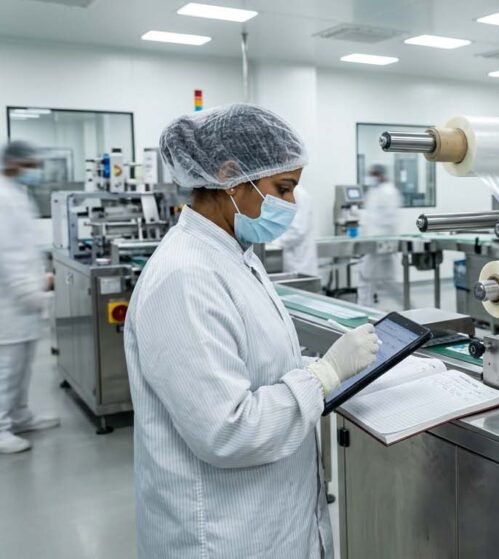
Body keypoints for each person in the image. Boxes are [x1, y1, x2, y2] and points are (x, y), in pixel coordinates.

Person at [125, 104, 380, 558]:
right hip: (222, 534)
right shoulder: (186, 276)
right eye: (283, 188)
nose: (292, 205)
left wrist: (330, 368)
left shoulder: (234, 255)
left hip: (265, 516)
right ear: (231, 176)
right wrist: (322, 377)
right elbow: (228, 430)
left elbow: (255, 365)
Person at [0, 140, 59, 455]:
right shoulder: (3, 198)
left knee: (22, 367)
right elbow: (9, 257)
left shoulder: (16, 194)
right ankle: (0, 428)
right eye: (30, 164)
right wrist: (36, 293)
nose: (34, 170)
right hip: (9, 305)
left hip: (23, 302)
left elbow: (26, 250)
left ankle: (19, 414)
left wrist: (39, 282)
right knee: (5, 371)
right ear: (13, 163)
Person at [358, 164, 402, 307]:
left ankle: (364, 309)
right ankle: (408, 305)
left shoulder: (389, 192)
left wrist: (374, 237)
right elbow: (369, 215)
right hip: (373, 243)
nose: (371, 178)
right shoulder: (374, 191)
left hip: (382, 244)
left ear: (381, 175)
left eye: (373, 174)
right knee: (385, 281)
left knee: (366, 277)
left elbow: (389, 220)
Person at [276, 184, 318, 277]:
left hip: (300, 262)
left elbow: (298, 230)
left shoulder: (298, 193)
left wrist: (275, 242)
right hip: (295, 258)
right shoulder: (295, 192)